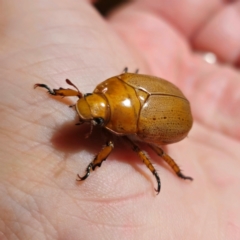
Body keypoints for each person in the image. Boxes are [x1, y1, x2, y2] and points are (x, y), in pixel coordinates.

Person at [0, 1, 239, 239]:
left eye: (98, 121)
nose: (84, 110)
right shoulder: (112, 84)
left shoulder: (128, 122)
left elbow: (118, 145)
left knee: (150, 152)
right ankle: (57, 93)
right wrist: (55, 93)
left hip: (173, 115)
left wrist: (93, 164)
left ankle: (175, 172)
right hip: (154, 92)